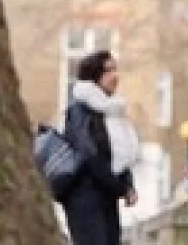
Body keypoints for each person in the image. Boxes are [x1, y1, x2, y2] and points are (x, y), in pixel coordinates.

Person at [62, 51, 139, 245]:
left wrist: (128, 184)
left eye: (115, 69)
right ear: (94, 76)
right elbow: (90, 156)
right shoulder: (80, 110)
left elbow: (120, 155)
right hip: (85, 197)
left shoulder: (112, 110)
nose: (115, 76)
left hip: (106, 194)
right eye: (108, 70)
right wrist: (121, 188)